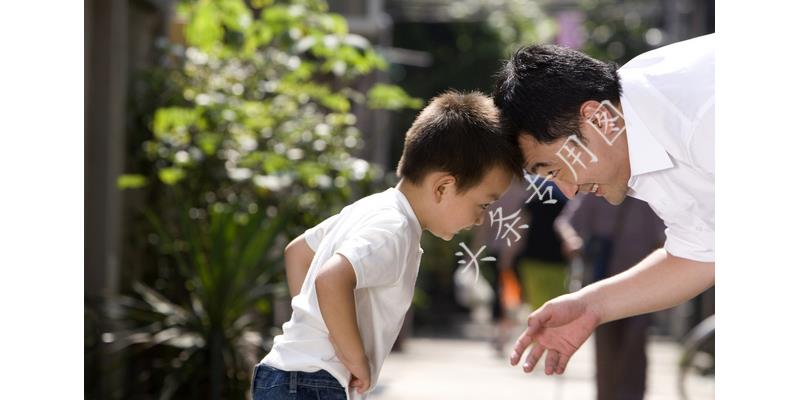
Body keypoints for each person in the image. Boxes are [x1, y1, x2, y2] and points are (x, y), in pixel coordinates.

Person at [252, 91, 523, 399]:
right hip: (317, 382)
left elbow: (298, 252)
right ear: (443, 187)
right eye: (484, 205)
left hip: (284, 372)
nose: (479, 220)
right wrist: (353, 357)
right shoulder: (395, 229)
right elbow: (330, 279)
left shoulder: (373, 208)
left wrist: (316, 329)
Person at [492, 33, 715, 376]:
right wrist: (590, 306)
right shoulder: (634, 136)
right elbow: (702, 252)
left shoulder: (700, 114)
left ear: (597, 119)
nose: (568, 191)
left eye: (555, 169)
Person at [555, 194, 665, 400]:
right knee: (606, 348)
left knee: (635, 345)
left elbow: (664, 235)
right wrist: (572, 240)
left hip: (643, 288)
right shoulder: (596, 193)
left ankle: (632, 396)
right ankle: (606, 395)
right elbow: (565, 222)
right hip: (603, 283)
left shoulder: (650, 195)